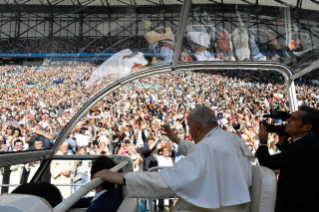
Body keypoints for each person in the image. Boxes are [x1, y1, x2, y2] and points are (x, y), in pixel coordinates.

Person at [93, 106, 253, 212]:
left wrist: (121, 177)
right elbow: (202, 153)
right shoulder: (230, 139)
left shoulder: (206, 147)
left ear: (198, 127)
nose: (190, 135)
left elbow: (166, 182)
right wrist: (175, 139)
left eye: (190, 129)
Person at [256, 105, 319, 212]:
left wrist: (262, 142)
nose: (287, 120)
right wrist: (283, 143)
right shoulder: (308, 142)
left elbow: (267, 162)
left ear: (306, 127)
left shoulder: (304, 145)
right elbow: (295, 163)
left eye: (293, 119)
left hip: (302, 207)